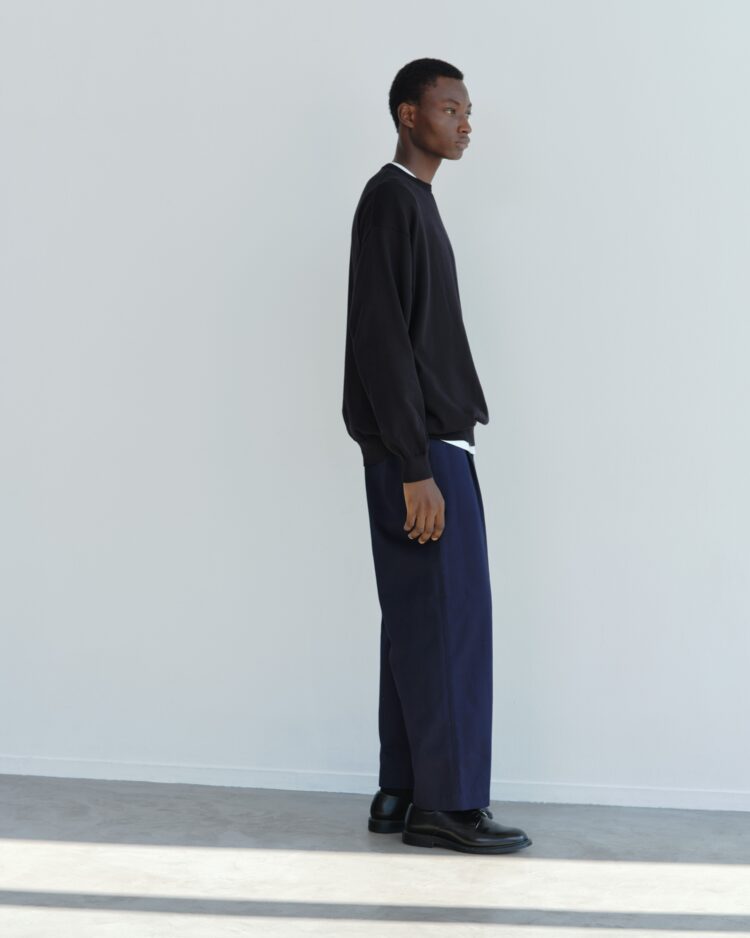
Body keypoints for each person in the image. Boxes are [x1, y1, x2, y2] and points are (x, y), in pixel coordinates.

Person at [341, 58, 532, 855]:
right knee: (451, 624)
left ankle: (402, 791)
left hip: (419, 446)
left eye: (467, 109)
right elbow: (381, 341)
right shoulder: (392, 201)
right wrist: (417, 466)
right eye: (449, 108)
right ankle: (447, 807)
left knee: (417, 623)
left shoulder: (410, 201)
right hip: (420, 454)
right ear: (408, 115)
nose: (464, 122)